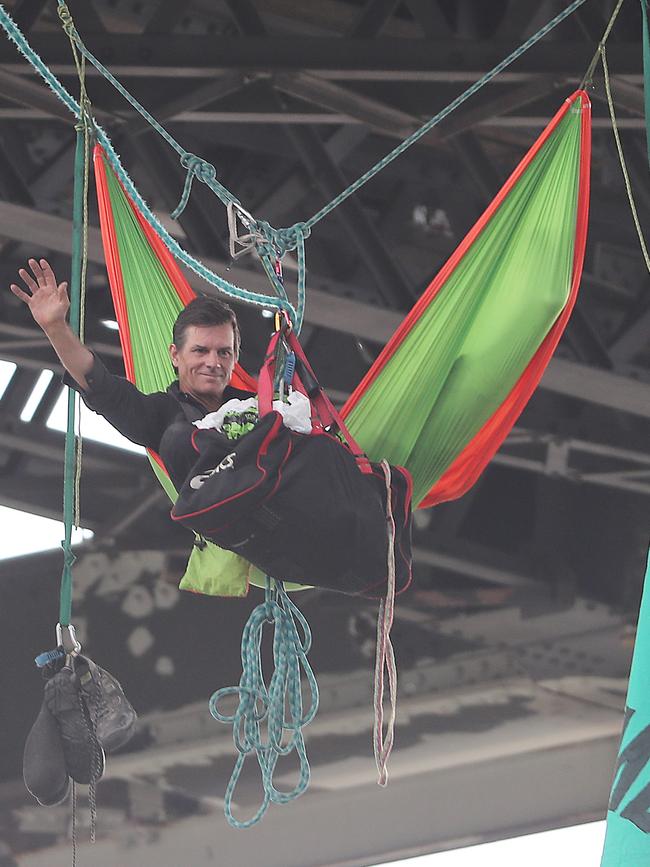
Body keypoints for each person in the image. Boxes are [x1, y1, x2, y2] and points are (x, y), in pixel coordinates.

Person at [10, 258, 254, 488]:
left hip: (284, 514)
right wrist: (55, 328)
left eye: (223, 352)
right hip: (234, 520)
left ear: (235, 358)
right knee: (177, 436)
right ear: (175, 355)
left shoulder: (259, 404)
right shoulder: (163, 415)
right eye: (200, 351)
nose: (213, 362)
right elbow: (101, 387)